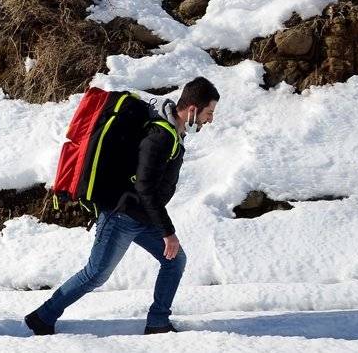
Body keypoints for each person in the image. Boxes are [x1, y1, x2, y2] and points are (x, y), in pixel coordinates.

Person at [25, 77, 220, 336]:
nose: (210, 120)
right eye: (209, 113)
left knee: (175, 262)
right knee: (95, 274)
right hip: (122, 216)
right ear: (193, 109)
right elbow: (144, 187)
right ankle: (43, 316)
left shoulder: (173, 131)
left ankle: (158, 322)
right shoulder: (160, 136)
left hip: (142, 216)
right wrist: (167, 232)